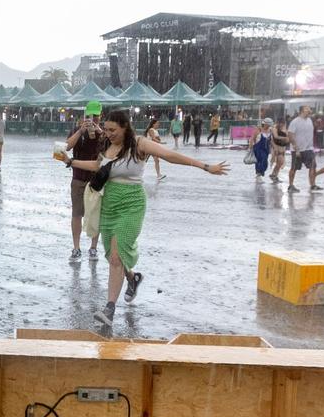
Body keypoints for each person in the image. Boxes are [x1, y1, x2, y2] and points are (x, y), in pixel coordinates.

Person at [67, 107, 228, 327]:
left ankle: (109, 309)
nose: (108, 133)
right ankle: (132, 278)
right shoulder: (106, 144)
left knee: (116, 256)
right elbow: (98, 166)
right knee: (114, 254)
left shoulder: (139, 144)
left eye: (113, 129)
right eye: (106, 129)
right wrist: (70, 162)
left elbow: (169, 155)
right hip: (109, 204)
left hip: (132, 204)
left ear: (125, 127)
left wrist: (205, 166)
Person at [64, 108, 108, 262]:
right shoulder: (77, 129)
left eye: (95, 116)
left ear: (100, 116)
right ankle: (76, 248)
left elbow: (111, 147)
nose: (92, 119)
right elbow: (67, 147)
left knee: (96, 214)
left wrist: (99, 131)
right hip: (78, 178)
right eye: (89, 116)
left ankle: (93, 247)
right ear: (84, 116)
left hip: (97, 180)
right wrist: (80, 131)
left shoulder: (104, 131)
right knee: (77, 214)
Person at [286, 106, 321, 193]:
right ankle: (290, 185)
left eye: (309, 109)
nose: (309, 110)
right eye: (307, 109)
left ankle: (313, 185)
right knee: (294, 168)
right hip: (297, 149)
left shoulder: (310, 120)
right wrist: (295, 147)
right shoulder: (295, 122)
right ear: (301, 111)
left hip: (308, 149)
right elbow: (290, 134)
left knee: (313, 165)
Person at [144, 116, 167, 180]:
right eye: (157, 123)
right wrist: (161, 142)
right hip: (149, 147)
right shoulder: (151, 130)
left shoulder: (155, 130)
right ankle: (137, 173)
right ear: (153, 124)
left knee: (156, 160)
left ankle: (158, 175)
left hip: (152, 147)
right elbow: (153, 138)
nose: (158, 124)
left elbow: (157, 138)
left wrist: (159, 140)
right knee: (143, 161)